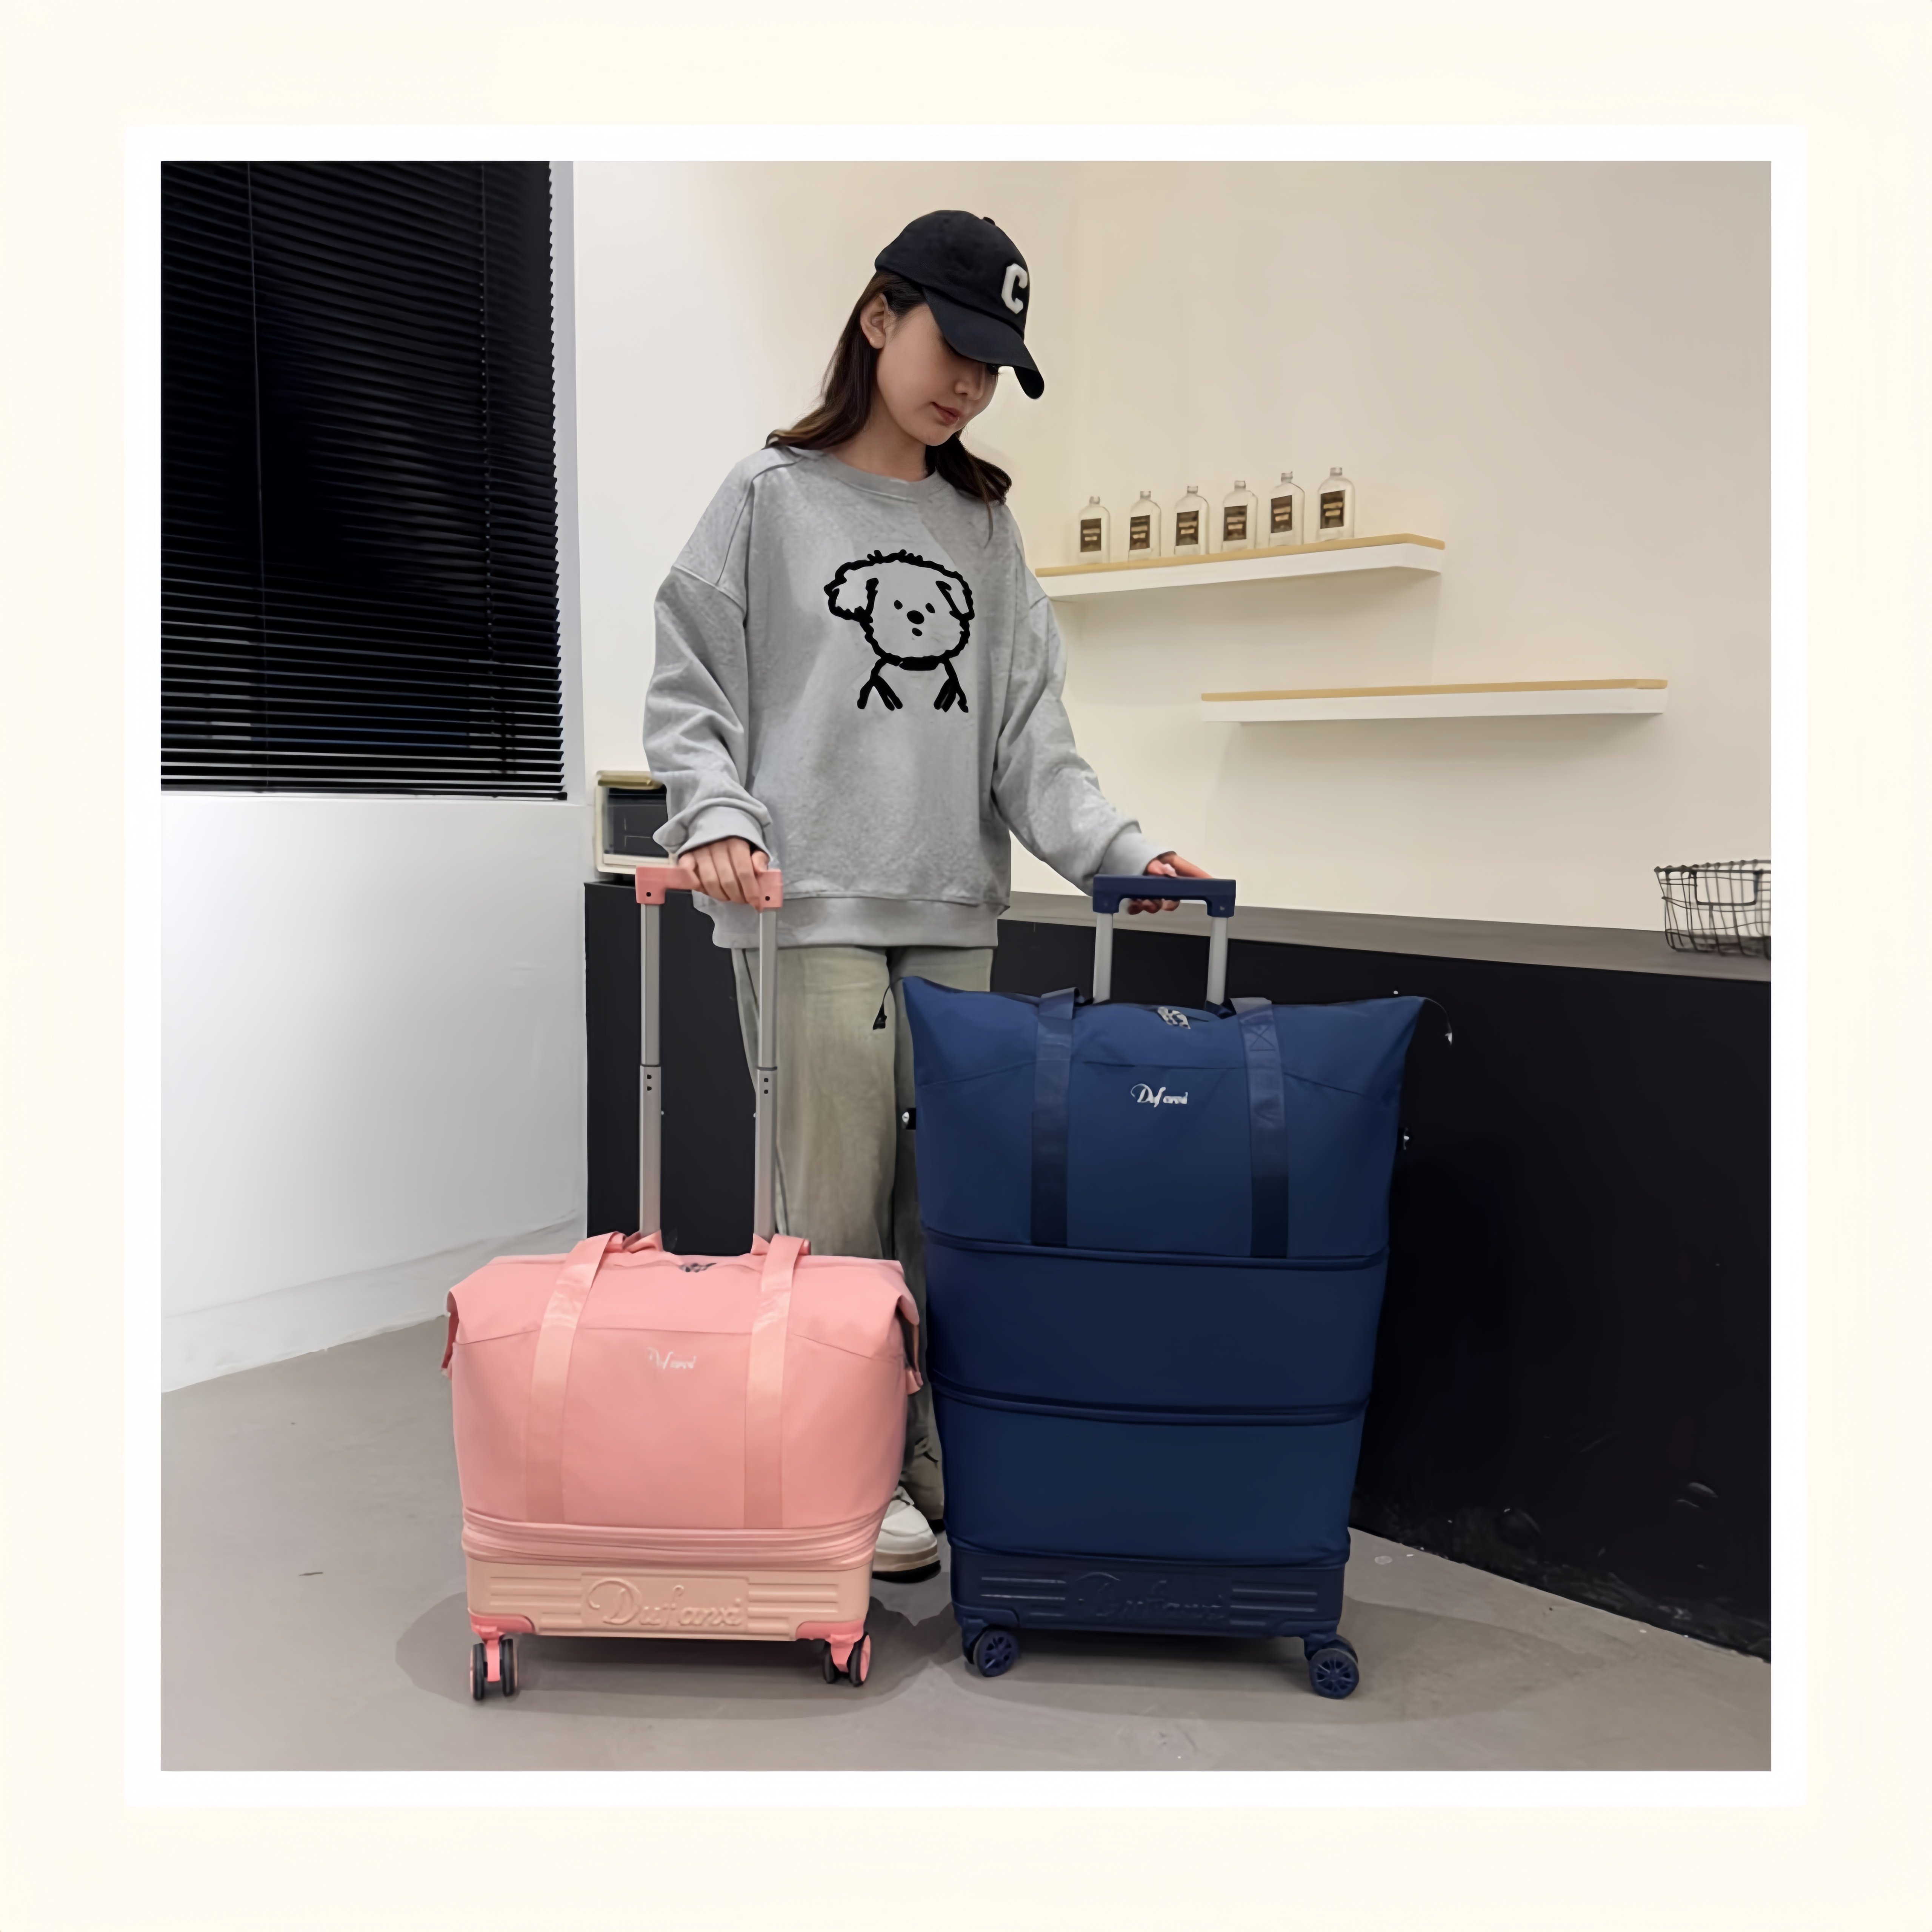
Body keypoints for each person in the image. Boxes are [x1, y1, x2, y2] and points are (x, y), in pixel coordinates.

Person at [645, 209, 1211, 1576]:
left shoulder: (983, 530)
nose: (967, 382)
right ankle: (847, 1475)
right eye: (951, 344)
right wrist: (714, 815)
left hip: (951, 915)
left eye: (992, 364)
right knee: (833, 1218)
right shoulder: (769, 498)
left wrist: (1120, 852)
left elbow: (1029, 739)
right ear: (878, 317)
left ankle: (929, 1451)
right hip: (806, 913)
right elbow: (692, 686)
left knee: (946, 1215)